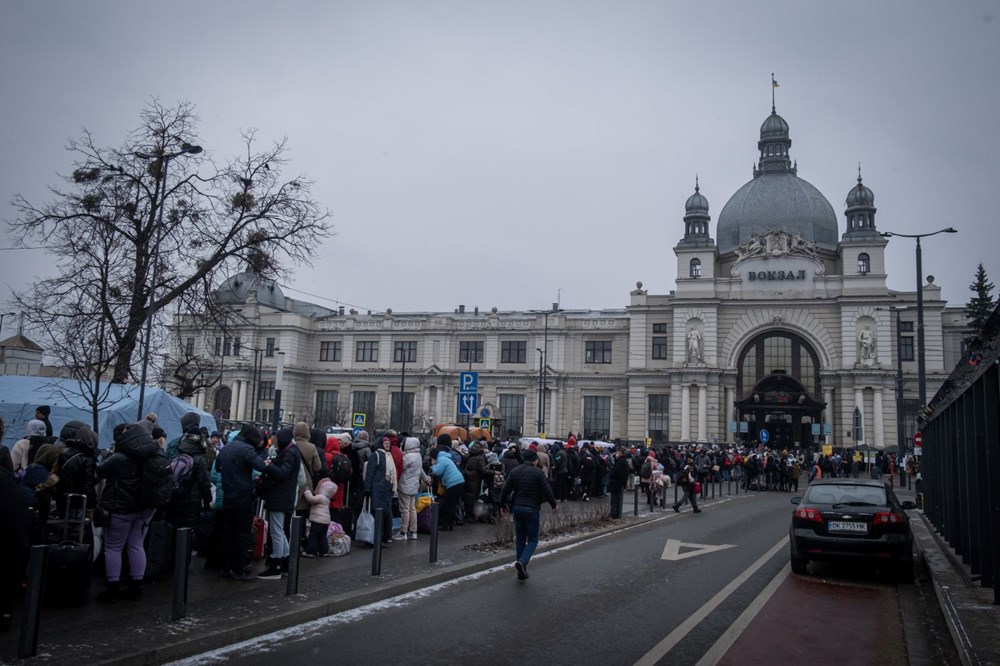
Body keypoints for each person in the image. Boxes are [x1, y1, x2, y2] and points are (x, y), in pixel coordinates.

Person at [96, 421, 160, 602]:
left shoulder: (119, 457)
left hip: (121, 508)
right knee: (136, 545)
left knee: (113, 547)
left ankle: (112, 588)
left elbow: (99, 471)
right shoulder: (152, 455)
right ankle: (136, 585)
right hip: (145, 509)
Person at [214, 424, 268, 582]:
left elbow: (217, 468)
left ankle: (224, 568)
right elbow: (261, 465)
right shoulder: (246, 449)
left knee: (227, 532)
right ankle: (239, 569)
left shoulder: (227, 447)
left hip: (228, 494)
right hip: (243, 495)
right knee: (242, 533)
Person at [500, 450, 557, 580]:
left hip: (517, 508)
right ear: (534, 460)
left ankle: (522, 569)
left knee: (520, 538)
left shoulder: (515, 471)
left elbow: (506, 489)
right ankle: (523, 562)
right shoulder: (538, 473)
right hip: (532, 508)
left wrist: (502, 505)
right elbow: (547, 490)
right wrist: (553, 504)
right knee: (532, 539)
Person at [257, 427, 303, 578]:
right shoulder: (293, 451)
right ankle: (284, 562)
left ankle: (276, 565)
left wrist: (268, 465)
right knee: (280, 531)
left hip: (279, 496)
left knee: (276, 531)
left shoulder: (289, 453)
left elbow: (283, 473)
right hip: (284, 496)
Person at [363, 436, 397, 545]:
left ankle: (382, 537)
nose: (387, 445)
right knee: (377, 513)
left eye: (388, 443)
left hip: (386, 489)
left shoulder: (389, 456)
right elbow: (370, 473)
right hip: (377, 489)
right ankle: (375, 538)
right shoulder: (376, 455)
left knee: (384, 513)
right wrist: (367, 488)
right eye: (385, 443)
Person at [428, 444, 464, 531]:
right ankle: (450, 524)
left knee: (449, 505)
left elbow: (437, 472)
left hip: (453, 483)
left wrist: (432, 465)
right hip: (459, 481)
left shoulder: (441, 459)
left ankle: (446, 525)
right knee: (452, 504)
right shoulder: (445, 458)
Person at [607, 447, 631, 518]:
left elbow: (617, 472)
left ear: (621, 453)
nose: (616, 453)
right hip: (619, 483)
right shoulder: (622, 460)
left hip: (617, 483)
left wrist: (612, 473)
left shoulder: (620, 461)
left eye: (618, 452)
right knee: (616, 499)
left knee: (615, 499)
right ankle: (616, 514)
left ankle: (614, 514)